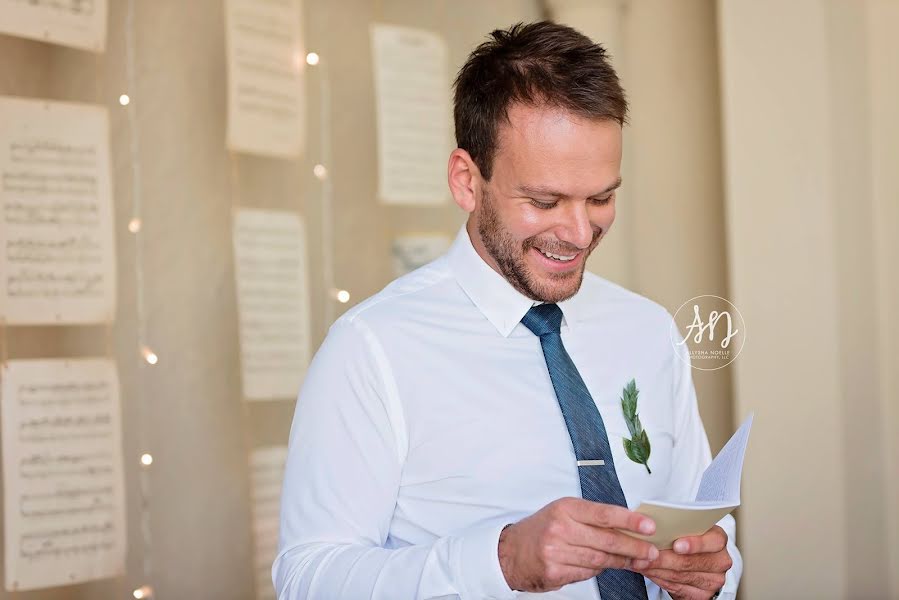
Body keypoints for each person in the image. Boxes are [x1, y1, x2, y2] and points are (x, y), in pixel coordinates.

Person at [273, 21, 742, 600]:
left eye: (601, 197)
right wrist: (498, 562)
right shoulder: (372, 349)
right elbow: (308, 578)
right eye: (545, 201)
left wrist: (711, 571)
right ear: (467, 182)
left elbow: (704, 525)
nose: (577, 232)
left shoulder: (648, 330)